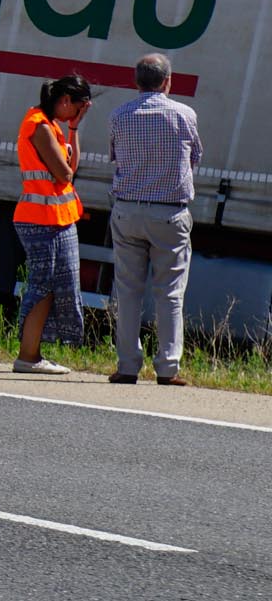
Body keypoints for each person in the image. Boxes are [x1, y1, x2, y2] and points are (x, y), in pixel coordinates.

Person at [108, 52, 202, 386]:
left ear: (137, 82)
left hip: (127, 209)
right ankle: (167, 368)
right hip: (168, 212)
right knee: (170, 293)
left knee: (128, 290)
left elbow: (115, 157)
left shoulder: (120, 115)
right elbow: (195, 158)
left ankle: (127, 365)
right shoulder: (184, 114)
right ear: (167, 81)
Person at [11, 74, 91, 375]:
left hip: (51, 219)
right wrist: (69, 130)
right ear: (66, 100)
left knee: (52, 285)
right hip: (40, 221)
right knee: (42, 286)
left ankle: (32, 355)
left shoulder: (53, 126)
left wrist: (73, 129)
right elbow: (65, 175)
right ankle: (27, 356)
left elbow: (70, 168)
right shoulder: (40, 126)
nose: (78, 114)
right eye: (78, 108)